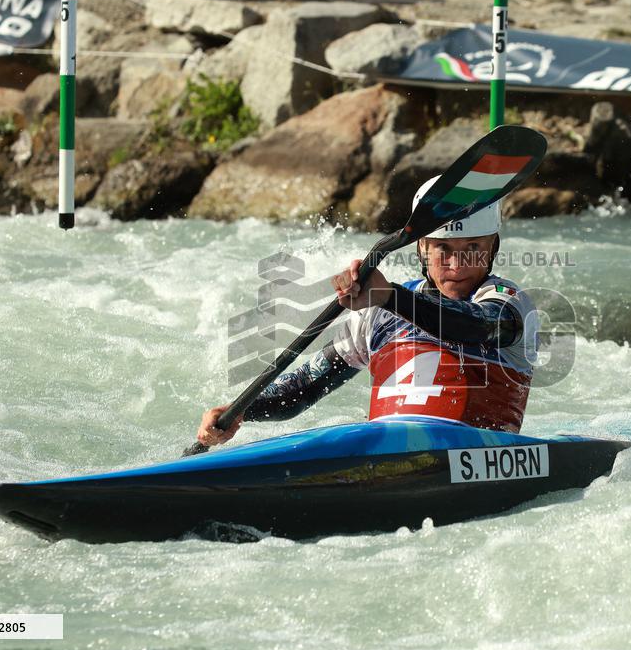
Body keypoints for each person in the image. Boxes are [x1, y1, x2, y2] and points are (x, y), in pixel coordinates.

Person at [197, 175, 538, 447]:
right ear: (421, 248)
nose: (457, 263)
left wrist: (389, 296)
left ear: (493, 247)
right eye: (443, 248)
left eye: (473, 248)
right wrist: (242, 410)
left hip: (480, 455)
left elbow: (474, 328)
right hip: (387, 452)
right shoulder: (379, 313)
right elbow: (305, 386)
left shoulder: (507, 302)